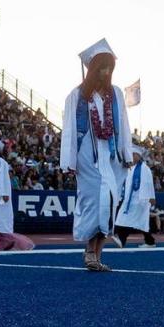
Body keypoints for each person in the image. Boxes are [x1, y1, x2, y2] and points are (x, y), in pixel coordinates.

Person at [59, 39, 133, 272]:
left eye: (109, 67)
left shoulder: (116, 94)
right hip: (86, 156)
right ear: (93, 68)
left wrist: (126, 152)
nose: (107, 71)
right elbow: (70, 128)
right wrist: (68, 161)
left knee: (110, 201)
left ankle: (95, 255)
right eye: (102, 66)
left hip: (109, 156)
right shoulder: (77, 95)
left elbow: (124, 124)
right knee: (94, 201)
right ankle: (90, 253)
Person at [112, 144, 157, 248]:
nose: (131, 157)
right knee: (137, 221)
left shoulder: (144, 169)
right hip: (129, 200)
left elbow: (149, 184)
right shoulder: (130, 168)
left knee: (131, 220)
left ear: (138, 156)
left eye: (133, 155)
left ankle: (122, 239)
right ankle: (150, 241)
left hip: (140, 200)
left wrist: (151, 197)